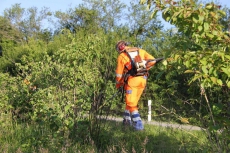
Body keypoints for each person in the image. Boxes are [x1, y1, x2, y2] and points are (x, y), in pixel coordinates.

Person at [115, 40, 156, 131]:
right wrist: (144, 68)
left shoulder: (122, 56)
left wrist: (119, 84)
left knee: (131, 103)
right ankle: (126, 121)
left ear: (119, 48)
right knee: (131, 101)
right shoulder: (140, 51)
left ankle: (138, 126)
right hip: (143, 80)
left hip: (132, 81)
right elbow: (153, 61)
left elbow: (119, 74)